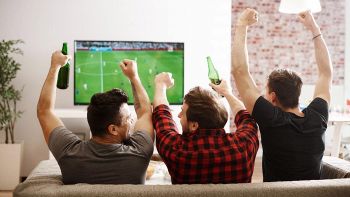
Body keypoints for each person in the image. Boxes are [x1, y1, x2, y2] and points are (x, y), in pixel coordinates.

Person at [232, 8, 332, 182]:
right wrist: (314, 28)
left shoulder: (271, 119)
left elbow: (240, 71)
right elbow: (326, 73)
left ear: (272, 97)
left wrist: (242, 25)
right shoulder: (318, 116)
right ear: (297, 94)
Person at [37, 51, 154, 184]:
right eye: (128, 118)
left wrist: (55, 66)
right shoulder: (140, 152)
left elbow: (44, 111)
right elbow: (145, 112)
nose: (132, 120)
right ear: (113, 129)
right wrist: (134, 77)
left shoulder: (68, 152)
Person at [152, 72, 259, 184]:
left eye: (182, 112)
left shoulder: (176, 150)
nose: (179, 115)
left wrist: (161, 84)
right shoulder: (245, 145)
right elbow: (245, 116)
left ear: (194, 125)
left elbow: (162, 113)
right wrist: (227, 93)